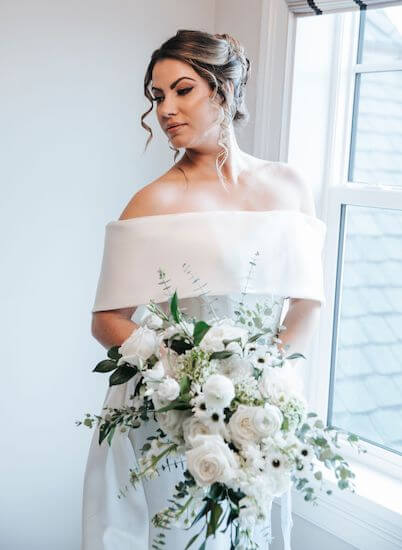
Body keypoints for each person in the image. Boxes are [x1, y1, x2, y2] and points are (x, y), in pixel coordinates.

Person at [81, 29, 327, 550]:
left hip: (260, 415)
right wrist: (187, 377)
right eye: (157, 95)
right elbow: (106, 320)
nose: (167, 107)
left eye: (182, 89)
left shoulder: (289, 186)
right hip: (173, 417)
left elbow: (306, 303)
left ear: (224, 91)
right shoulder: (153, 201)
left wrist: (264, 386)